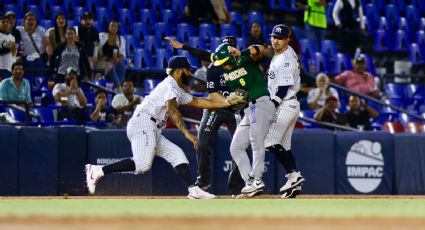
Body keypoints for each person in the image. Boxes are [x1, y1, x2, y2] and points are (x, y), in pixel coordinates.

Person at [85, 56, 245, 199]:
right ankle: (97, 171)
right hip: (143, 123)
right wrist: (187, 134)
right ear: (177, 71)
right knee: (142, 165)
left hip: (152, 127)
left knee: (178, 155)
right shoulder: (170, 85)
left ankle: (193, 190)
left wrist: (226, 102)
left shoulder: (176, 88)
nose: (190, 73)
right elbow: (172, 110)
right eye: (187, 70)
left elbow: (198, 102)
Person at [165, 36, 245, 196]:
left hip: (237, 110)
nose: (228, 53)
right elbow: (213, 94)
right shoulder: (215, 65)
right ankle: (203, 184)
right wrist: (183, 47)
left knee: (241, 146)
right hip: (215, 107)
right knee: (202, 143)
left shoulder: (243, 64)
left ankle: (236, 187)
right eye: (226, 49)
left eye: (231, 50)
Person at [213, 42, 277, 197]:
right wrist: (235, 100)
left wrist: (242, 52)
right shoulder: (227, 75)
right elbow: (241, 94)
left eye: (224, 63)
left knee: (256, 141)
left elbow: (261, 49)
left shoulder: (244, 58)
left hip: (262, 102)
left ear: (230, 58)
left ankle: (257, 180)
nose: (223, 66)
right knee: (236, 147)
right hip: (249, 108)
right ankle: (250, 184)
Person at [263, 24, 305, 199]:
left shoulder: (285, 58)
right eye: (273, 36)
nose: (275, 40)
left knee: (269, 141)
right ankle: (293, 184)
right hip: (291, 104)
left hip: (285, 103)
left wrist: (272, 105)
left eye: (279, 38)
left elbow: (283, 87)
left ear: (288, 39)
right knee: (284, 146)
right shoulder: (283, 53)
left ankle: (293, 175)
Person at [98, 20, 127, 90]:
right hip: (103, 60)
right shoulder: (102, 36)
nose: (113, 28)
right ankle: (119, 87)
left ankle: (116, 87)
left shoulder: (121, 39)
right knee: (111, 66)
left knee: (122, 65)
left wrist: (118, 59)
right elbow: (98, 50)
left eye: (115, 26)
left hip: (115, 60)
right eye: (112, 26)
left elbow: (123, 55)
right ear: (108, 27)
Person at [0, 15, 17, 80]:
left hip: (11, 69)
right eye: (3, 22)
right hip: (1, 69)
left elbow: (13, 54)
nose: (5, 24)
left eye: (7, 22)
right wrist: (9, 49)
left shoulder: (12, 37)